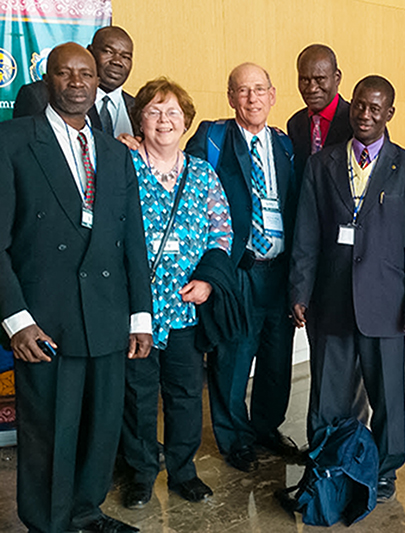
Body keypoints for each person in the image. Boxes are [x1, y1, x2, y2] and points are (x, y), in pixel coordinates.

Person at [0, 42, 152, 533]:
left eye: (85, 73)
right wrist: (16, 319)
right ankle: (48, 522)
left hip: (107, 315)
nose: (77, 82)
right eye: (64, 74)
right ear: (48, 81)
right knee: (51, 429)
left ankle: (87, 513)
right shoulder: (12, 141)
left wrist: (140, 316)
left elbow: (132, 238)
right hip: (44, 320)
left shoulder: (114, 152)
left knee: (101, 426)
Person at [290, 75, 405, 503]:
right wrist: (300, 291)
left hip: (385, 301)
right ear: (351, 106)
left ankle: (386, 468)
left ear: (390, 113)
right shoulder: (323, 164)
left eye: (376, 108)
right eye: (360, 106)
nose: (366, 115)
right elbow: (306, 235)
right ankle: (328, 459)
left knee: (387, 391)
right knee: (327, 391)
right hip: (330, 300)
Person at [119, 78, 233, 508]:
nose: (164, 120)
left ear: (186, 121)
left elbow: (222, 231)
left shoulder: (202, 173)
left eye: (172, 113)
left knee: (185, 395)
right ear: (140, 120)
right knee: (139, 397)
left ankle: (183, 471)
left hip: (185, 307)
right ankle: (142, 474)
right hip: (138, 309)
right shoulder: (124, 168)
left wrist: (206, 280)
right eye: (153, 111)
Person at [185, 62, 300, 472]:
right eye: (242, 91)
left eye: (259, 90)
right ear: (231, 97)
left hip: (279, 272)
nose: (252, 98)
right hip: (237, 271)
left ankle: (266, 429)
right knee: (232, 360)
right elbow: (188, 190)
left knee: (275, 361)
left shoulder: (285, 146)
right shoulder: (213, 138)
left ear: (272, 95)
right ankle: (235, 439)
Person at [13, 26, 136, 137]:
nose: (117, 62)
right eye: (108, 52)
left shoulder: (140, 107)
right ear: (90, 51)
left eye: (125, 57)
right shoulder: (38, 95)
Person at [287, 44, 353, 180]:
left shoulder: (357, 121)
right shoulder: (295, 124)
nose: (312, 89)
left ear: (337, 78)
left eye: (320, 79)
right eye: (305, 80)